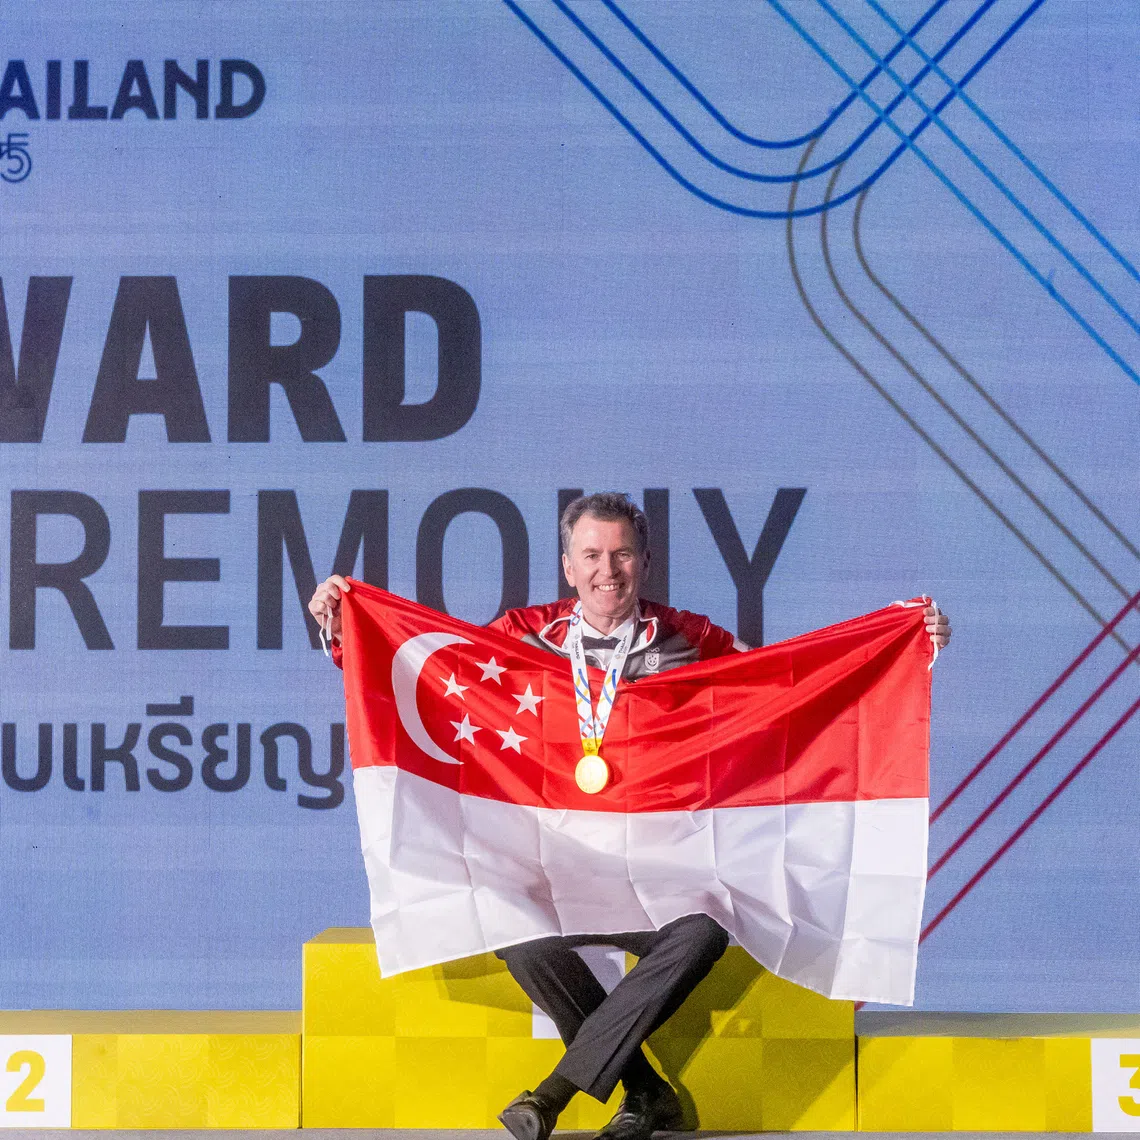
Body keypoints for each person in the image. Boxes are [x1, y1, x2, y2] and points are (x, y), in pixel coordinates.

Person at [309, 492, 951, 1140]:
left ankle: (554, 1095)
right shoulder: (524, 636)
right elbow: (422, 672)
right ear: (567, 565)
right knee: (510, 927)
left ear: (645, 561)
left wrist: (905, 647)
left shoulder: (689, 637)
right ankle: (645, 1092)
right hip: (562, 866)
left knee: (703, 933)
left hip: (661, 869)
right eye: (591, 555)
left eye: (620, 555)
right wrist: (344, 626)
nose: (606, 570)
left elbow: (792, 685)